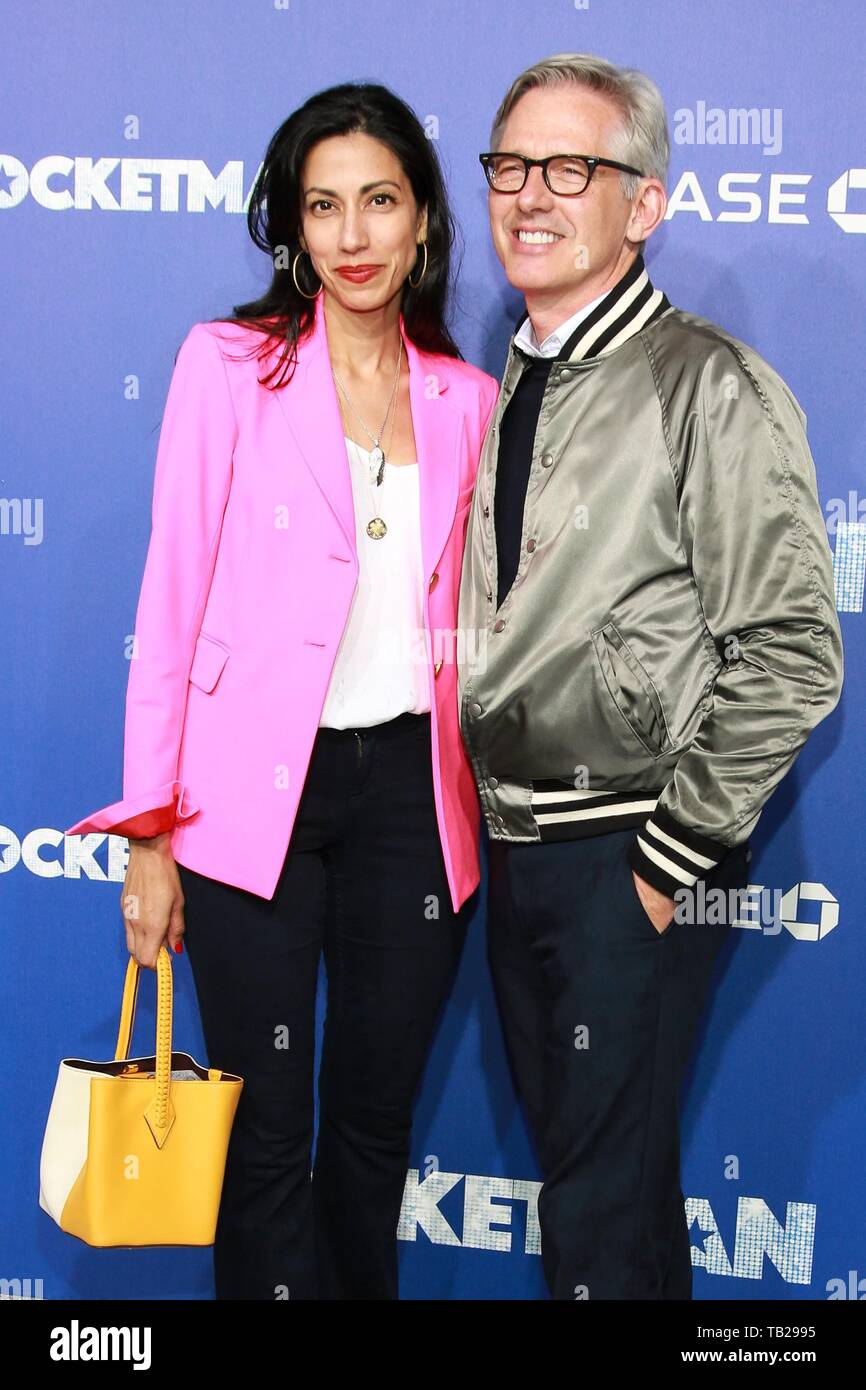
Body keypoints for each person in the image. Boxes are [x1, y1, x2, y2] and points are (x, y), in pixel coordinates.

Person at [66, 81, 498, 1300]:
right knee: (262, 1141)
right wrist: (147, 833)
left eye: (378, 202)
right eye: (323, 206)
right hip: (248, 806)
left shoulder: (466, 402)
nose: (352, 236)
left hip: (412, 806)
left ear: (422, 222)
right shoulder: (228, 366)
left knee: (370, 1134)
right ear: (291, 226)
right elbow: (169, 607)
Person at [457, 52, 844, 1300]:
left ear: (644, 203)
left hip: (624, 855)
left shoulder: (706, 384)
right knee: (608, 1208)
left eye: (571, 167)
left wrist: (661, 864)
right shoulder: (512, 375)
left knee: (599, 1220)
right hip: (514, 852)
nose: (531, 195)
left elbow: (789, 651)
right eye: (511, 165)